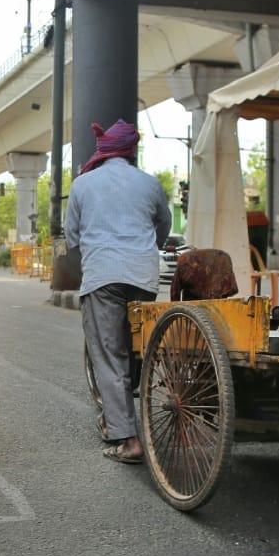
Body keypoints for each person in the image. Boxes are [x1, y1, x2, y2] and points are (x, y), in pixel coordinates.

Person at [65, 119, 171, 464]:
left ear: (103, 150)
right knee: (137, 349)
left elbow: (72, 238)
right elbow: (163, 226)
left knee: (110, 358)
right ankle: (123, 413)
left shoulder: (83, 184)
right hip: (143, 277)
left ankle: (127, 440)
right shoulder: (149, 183)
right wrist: (142, 249)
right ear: (130, 152)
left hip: (103, 278)